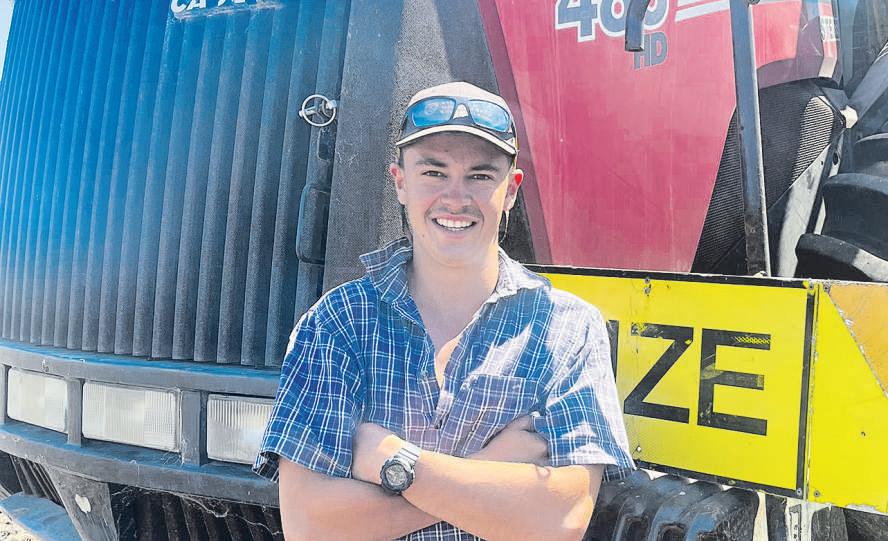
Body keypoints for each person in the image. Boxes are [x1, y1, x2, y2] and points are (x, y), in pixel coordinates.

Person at [253, 81, 634, 540]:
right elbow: (310, 526)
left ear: (511, 190)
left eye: (480, 176)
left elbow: (562, 520)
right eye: (434, 172)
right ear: (400, 182)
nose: (456, 198)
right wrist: (492, 468)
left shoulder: (568, 329)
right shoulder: (338, 323)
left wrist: (393, 462)